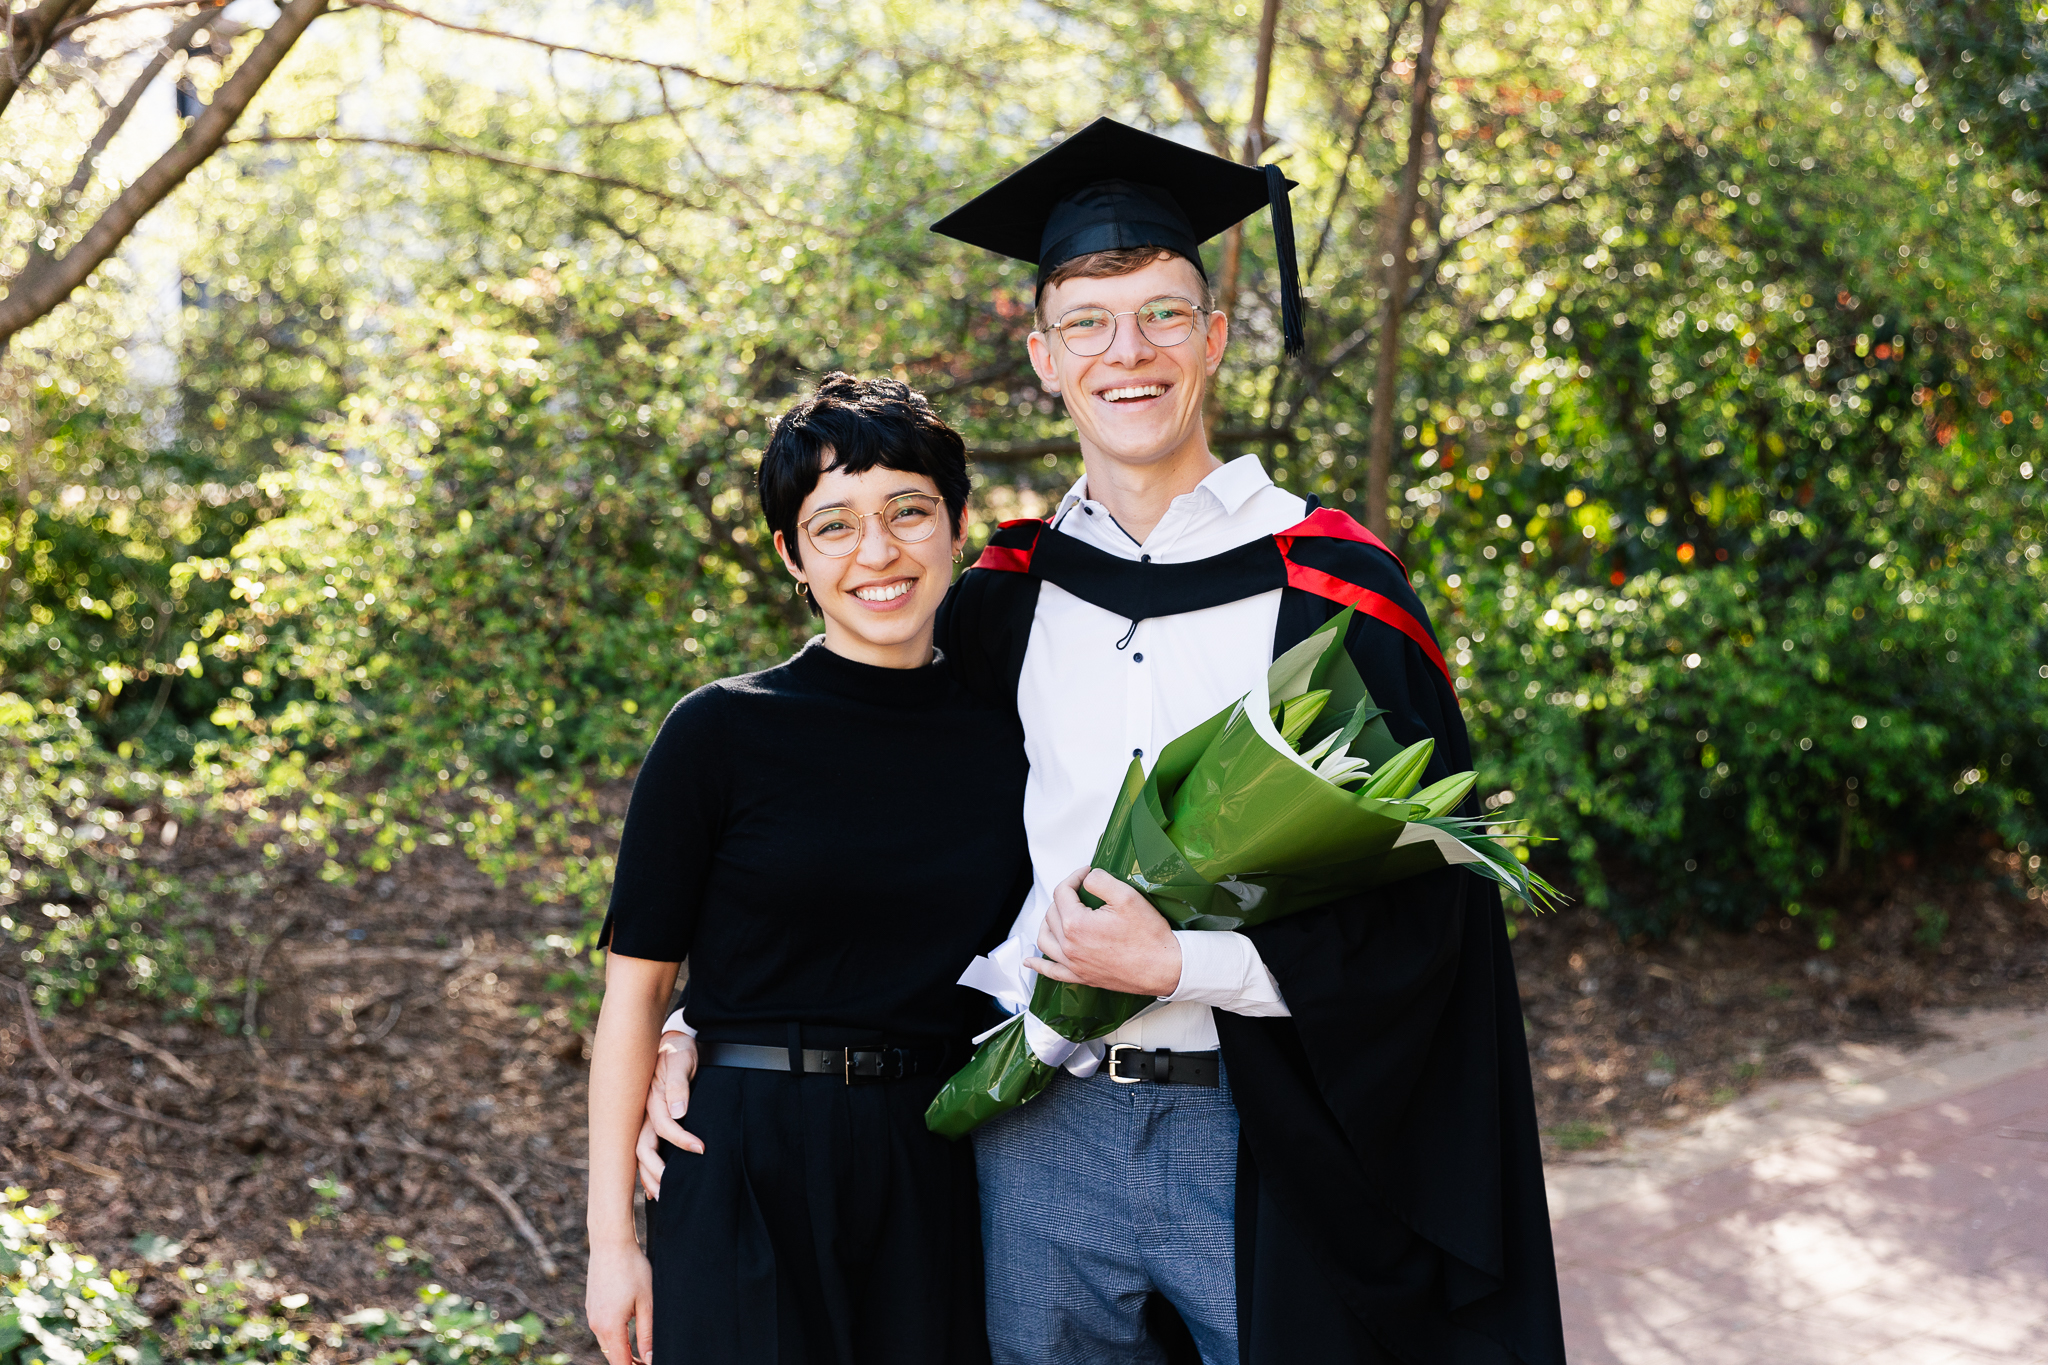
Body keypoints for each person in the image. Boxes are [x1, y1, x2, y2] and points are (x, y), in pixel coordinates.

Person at [643, 117, 1566, 1365]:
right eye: (1088, 321)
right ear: (1042, 356)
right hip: (1033, 1136)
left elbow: (1426, 916)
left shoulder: (1331, 595)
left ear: (1214, 338)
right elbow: (875, 830)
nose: (1126, 353)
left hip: (1268, 1125)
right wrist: (704, 1027)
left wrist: (1184, 963)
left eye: (1163, 316)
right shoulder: (997, 602)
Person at [584, 373, 1030, 1365]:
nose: (877, 553)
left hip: (938, 1161)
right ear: (792, 555)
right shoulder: (720, 732)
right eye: (833, 526)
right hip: (742, 1159)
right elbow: (634, 996)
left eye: (907, 512)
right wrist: (611, 1244)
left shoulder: (1015, 733)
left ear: (957, 523)